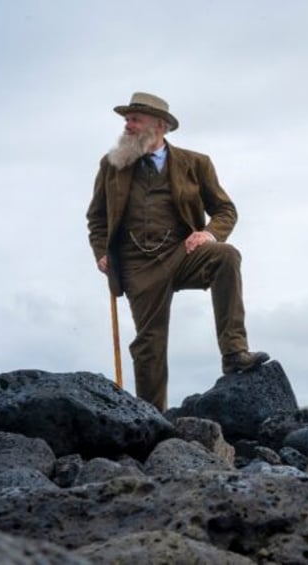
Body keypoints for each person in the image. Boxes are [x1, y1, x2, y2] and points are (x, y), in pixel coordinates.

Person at [86, 91, 268, 412]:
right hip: (136, 264)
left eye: (134, 118)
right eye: (126, 119)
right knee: (149, 347)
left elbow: (226, 210)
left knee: (226, 255)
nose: (127, 125)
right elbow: (97, 217)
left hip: (182, 252)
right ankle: (151, 418)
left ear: (160, 125)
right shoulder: (111, 165)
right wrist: (101, 251)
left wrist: (210, 234)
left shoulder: (196, 164)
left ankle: (234, 353)